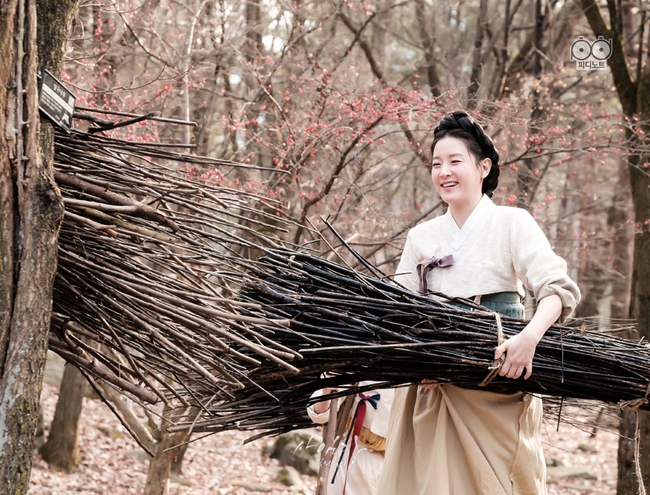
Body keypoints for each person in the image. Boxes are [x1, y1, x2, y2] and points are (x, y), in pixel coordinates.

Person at [377, 111, 581, 495]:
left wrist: (529, 338)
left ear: (483, 167)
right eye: (436, 163)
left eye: (455, 161)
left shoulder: (512, 223)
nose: (444, 172)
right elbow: (398, 310)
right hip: (434, 385)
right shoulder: (421, 237)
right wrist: (415, 360)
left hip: (498, 379)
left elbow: (557, 290)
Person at [308, 381, 394, 495]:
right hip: (346, 453)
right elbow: (319, 415)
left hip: (383, 460)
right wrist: (326, 392)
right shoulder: (355, 372)